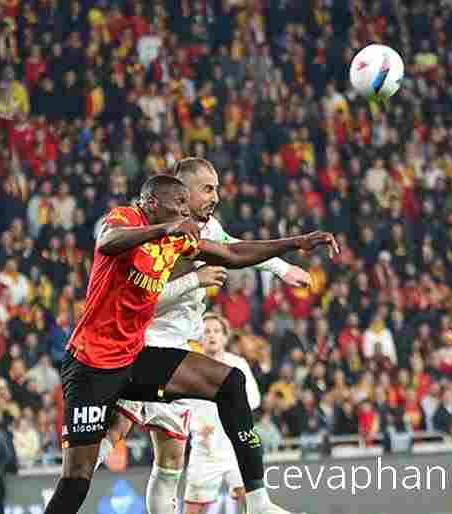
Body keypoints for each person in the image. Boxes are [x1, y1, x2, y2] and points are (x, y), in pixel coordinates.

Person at [43, 173, 338, 514]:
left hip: (135, 357)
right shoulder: (126, 218)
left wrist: (295, 243)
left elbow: (231, 253)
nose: (186, 210)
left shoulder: (179, 239)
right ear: (154, 204)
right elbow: (107, 241)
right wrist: (163, 231)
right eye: (179, 203)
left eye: (187, 203)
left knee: (230, 382)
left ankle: (258, 503)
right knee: (76, 478)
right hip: (91, 365)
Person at [184, 313, 261, 514]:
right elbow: (182, 407)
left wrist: (233, 409)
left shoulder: (238, 365)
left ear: (225, 337)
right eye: (206, 331)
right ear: (199, 338)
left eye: (217, 331)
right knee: (193, 508)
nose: (212, 335)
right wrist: (197, 426)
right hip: (205, 449)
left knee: (251, 498)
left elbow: (254, 398)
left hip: (236, 445)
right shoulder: (191, 367)